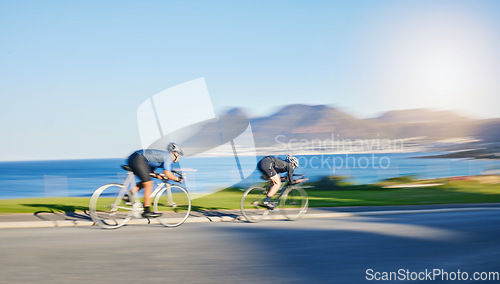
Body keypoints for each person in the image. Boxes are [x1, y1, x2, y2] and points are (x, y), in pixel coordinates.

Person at [126, 142, 184, 218]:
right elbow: (168, 174)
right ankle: (147, 211)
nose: (179, 158)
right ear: (175, 153)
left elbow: (149, 171)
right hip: (138, 159)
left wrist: (158, 176)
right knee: (149, 184)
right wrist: (178, 179)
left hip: (135, 158)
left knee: (145, 182)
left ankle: (128, 196)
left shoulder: (160, 156)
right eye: (179, 155)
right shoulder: (168, 156)